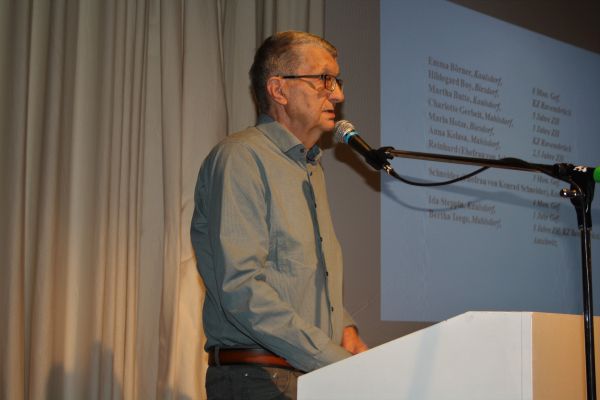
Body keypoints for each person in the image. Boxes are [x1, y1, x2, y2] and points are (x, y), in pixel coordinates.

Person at [190, 30, 368, 400]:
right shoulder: (242, 158)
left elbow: (299, 275)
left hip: (307, 375)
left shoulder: (311, 167)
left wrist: (344, 327)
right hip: (258, 379)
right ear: (278, 89)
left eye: (337, 81)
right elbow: (242, 289)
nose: (338, 95)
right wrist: (331, 358)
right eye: (324, 79)